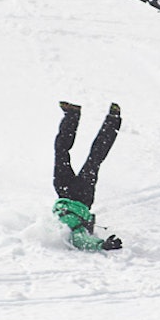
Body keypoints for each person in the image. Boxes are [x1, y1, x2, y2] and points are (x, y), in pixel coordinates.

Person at [52, 100, 123, 251]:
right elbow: (83, 241)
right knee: (94, 158)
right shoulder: (75, 231)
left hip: (62, 192)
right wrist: (102, 245)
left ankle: (72, 115)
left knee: (60, 151)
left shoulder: (50, 228)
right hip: (82, 197)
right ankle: (113, 119)